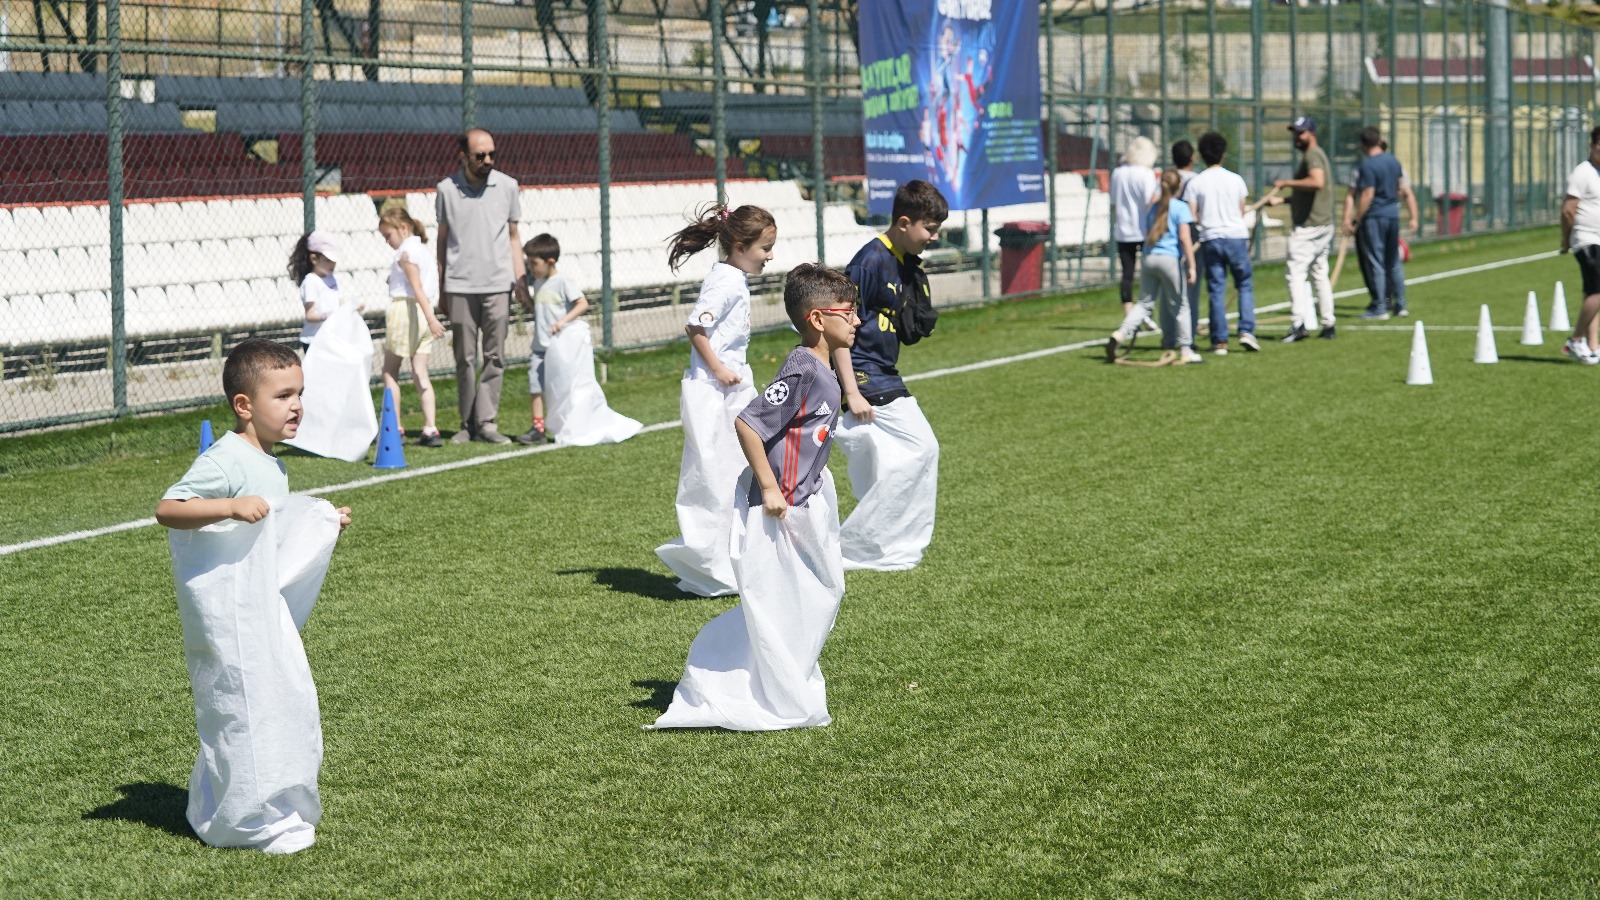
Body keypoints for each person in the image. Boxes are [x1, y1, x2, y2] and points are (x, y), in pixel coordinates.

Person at [155, 338, 352, 853]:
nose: (297, 406)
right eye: (283, 395)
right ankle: (245, 820)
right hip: (229, 615)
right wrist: (230, 505)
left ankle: (242, 801)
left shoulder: (272, 462)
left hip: (259, 609)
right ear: (244, 405)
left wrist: (321, 526)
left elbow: (272, 534)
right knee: (243, 704)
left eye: (300, 393)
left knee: (274, 701)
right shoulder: (226, 458)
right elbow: (168, 508)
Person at [650, 264, 858, 732]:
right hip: (774, 505)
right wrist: (769, 487)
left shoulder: (825, 367)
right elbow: (748, 422)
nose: (857, 321)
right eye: (849, 313)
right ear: (819, 319)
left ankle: (783, 681)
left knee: (819, 592)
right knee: (779, 600)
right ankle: (751, 686)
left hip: (803, 498)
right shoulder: (803, 366)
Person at [654, 203, 776, 597]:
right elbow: (696, 327)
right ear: (740, 246)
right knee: (714, 477)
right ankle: (712, 568)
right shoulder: (724, 281)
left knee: (741, 470)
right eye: (764, 248)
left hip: (733, 388)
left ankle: (739, 559)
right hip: (714, 392)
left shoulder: (733, 276)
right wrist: (720, 369)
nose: (769, 256)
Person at [834, 179, 946, 571]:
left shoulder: (901, 261)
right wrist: (851, 390)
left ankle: (880, 544)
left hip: (882, 369)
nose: (933, 236)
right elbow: (836, 328)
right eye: (929, 229)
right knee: (923, 447)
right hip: (866, 375)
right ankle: (854, 544)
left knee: (879, 463)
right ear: (903, 222)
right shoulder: (869, 261)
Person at [436, 128, 528, 445]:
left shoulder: (508, 187)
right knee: (464, 358)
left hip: (498, 284)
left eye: (492, 154)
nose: (487, 160)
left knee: (495, 356)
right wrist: (442, 288)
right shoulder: (446, 189)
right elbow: (442, 241)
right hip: (459, 285)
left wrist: (520, 280)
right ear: (463, 156)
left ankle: (487, 422)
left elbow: (514, 238)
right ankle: (466, 424)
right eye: (480, 155)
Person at [1107, 169, 1201, 364]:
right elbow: (1184, 237)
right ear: (1179, 187)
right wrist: (1192, 265)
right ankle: (1186, 349)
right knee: (1181, 305)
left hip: (1149, 257)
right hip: (1169, 260)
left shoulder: (1152, 207)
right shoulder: (1180, 207)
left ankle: (1122, 332)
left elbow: (1148, 232)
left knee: (1144, 303)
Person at [377, 207, 446, 447]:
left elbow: (415, 287)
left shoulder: (405, 251)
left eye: (388, 236)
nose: (388, 242)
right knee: (420, 371)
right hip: (423, 310)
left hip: (407, 310)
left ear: (402, 228)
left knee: (390, 371)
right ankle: (430, 427)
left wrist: (431, 319)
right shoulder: (421, 250)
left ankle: (394, 426)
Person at [1265, 116, 1336, 342]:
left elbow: (1317, 182)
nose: (1297, 137)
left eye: (1301, 132)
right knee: (1319, 274)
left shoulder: (1313, 156)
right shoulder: (1315, 154)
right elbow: (1310, 193)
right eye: (1295, 132)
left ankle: (1298, 324)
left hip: (1310, 228)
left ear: (1311, 134)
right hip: (1322, 224)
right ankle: (1328, 323)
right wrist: (1285, 201)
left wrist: (1287, 183)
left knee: (1295, 273)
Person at [516, 233, 591, 445]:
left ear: (551, 262)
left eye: (534, 263)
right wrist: (527, 301)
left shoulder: (563, 281)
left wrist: (563, 322)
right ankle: (538, 428)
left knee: (562, 387)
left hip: (558, 349)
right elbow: (541, 311)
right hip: (539, 347)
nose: (531, 268)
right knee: (535, 385)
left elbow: (582, 304)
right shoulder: (539, 282)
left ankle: (569, 424)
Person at [1188, 131, 1258, 354]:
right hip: (1236, 236)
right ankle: (1246, 331)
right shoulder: (1235, 179)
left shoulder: (1196, 182)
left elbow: (1193, 216)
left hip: (1211, 238)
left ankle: (1220, 341)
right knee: (1244, 284)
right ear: (1223, 155)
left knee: (1216, 290)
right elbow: (1240, 210)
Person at [1348, 127, 1414, 320]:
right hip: (1393, 214)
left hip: (1375, 216)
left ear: (1362, 144)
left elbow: (1367, 194)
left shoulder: (1368, 166)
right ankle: (1400, 305)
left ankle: (1380, 306)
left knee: (1376, 262)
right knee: (1393, 261)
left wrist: (1356, 218)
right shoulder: (1393, 160)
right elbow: (1401, 187)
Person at [1559, 125, 1600, 364]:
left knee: (1592, 293)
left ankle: (1592, 345)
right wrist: (1566, 240)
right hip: (1586, 239)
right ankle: (1574, 341)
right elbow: (1567, 210)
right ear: (1592, 145)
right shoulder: (1582, 173)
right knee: (1596, 292)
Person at [1110, 136, 1160, 320]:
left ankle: (1128, 313)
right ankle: (1145, 311)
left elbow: (1114, 202)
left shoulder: (1118, 173)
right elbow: (1150, 201)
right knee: (1149, 273)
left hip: (1123, 229)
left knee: (1127, 274)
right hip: (1144, 229)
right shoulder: (1146, 174)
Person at [288, 231, 358, 352]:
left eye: (334, 260)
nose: (333, 264)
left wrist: (351, 308)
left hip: (331, 338)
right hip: (314, 340)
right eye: (328, 260)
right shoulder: (311, 282)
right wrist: (328, 315)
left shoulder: (332, 278)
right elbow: (310, 315)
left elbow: (339, 302)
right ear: (314, 259)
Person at [1172, 139, 1202, 342]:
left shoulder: (1166, 179)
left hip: (1169, 240)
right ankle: (1187, 335)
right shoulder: (1198, 180)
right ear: (1192, 158)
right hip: (1191, 239)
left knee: (1172, 291)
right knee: (1191, 290)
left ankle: (1171, 334)